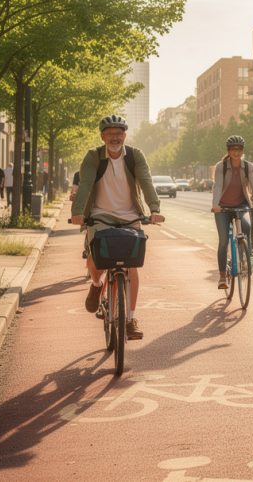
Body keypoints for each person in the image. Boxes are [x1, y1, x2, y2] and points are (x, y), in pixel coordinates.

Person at [70, 115, 164, 341]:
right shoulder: (93, 156)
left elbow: (146, 181)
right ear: (102, 136)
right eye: (110, 133)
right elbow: (85, 184)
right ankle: (96, 285)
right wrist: (78, 212)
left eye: (119, 133)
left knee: (131, 267)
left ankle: (130, 319)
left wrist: (154, 208)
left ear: (125, 136)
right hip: (100, 216)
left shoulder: (135, 155)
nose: (115, 137)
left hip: (131, 216)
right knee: (95, 261)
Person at [211, 136, 253, 289]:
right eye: (233, 150)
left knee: (246, 226)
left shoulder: (248, 166)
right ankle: (222, 276)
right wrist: (215, 205)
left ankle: (244, 257)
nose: (236, 152)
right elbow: (218, 186)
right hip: (223, 207)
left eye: (239, 149)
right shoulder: (221, 166)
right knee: (223, 241)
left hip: (241, 204)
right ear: (228, 151)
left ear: (243, 151)